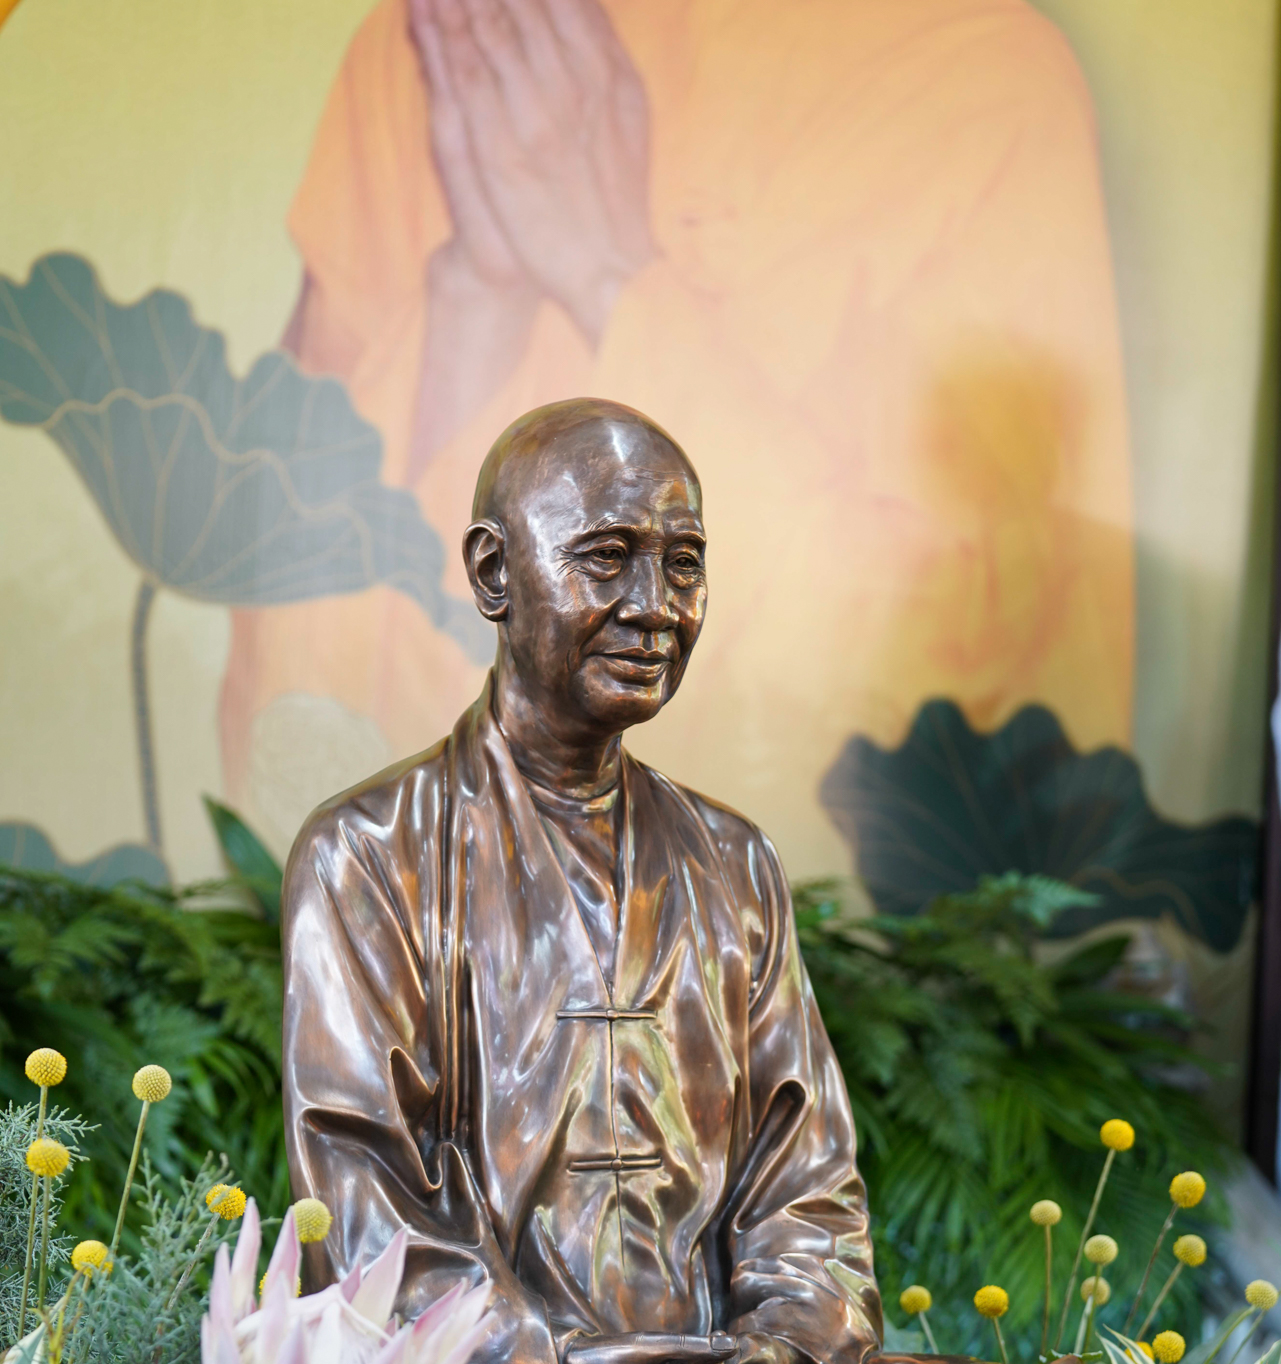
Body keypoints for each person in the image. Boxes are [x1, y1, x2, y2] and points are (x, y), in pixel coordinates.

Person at [281, 397, 1126, 1364]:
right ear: (493, 573)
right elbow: (361, 1202)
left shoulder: (731, 861)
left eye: (684, 565)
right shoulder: (371, 854)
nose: (654, 607)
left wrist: (780, 1344)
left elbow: (805, 1184)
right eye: (607, 558)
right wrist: (561, 1362)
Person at [224, 0, 1133, 876]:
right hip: (438, 913)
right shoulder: (456, 38)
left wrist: (607, 273)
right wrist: (472, 300)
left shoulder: (980, 73)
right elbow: (282, 692)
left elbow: (963, 676)